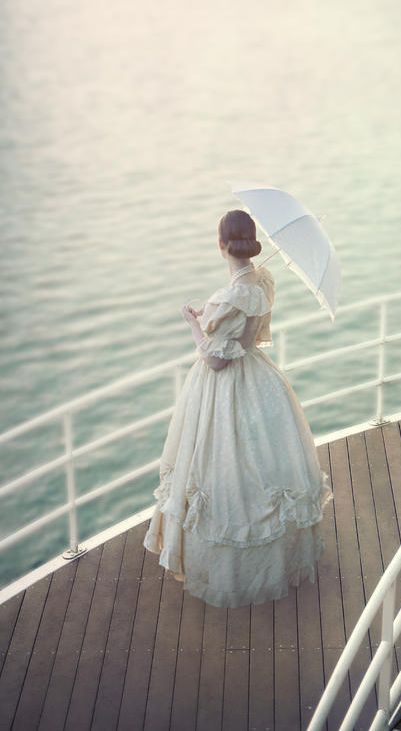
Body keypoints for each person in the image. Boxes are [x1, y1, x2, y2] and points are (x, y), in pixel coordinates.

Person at [143, 209, 332, 608]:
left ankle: (232, 571)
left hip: (223, 387)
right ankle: (276, 559)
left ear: (223, 244)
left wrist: (193, 323)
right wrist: (212, 319)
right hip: (259, 380)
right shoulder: (260, 281)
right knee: (261, 463)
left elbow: (215, 360)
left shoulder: (234, 293)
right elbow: (247, 338)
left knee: (222, 466)